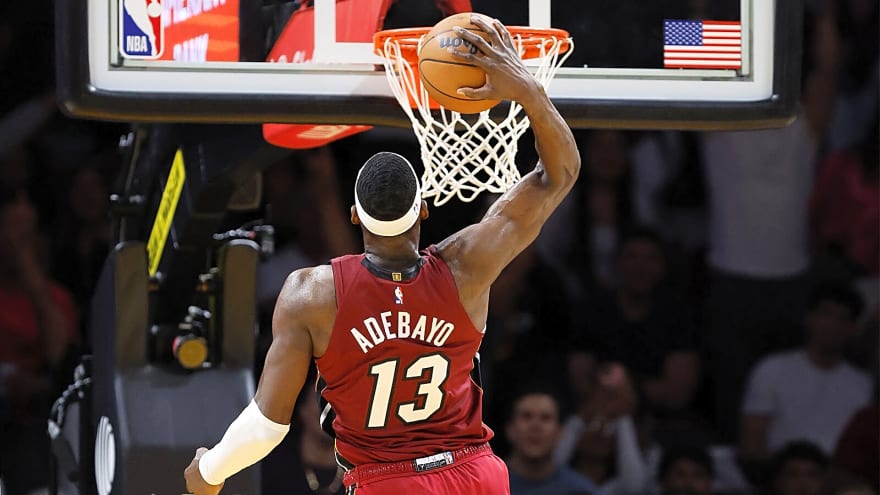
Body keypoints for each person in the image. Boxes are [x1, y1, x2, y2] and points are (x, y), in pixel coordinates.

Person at [184, 14, 581, 495]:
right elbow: (556, 175)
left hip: (387, 482)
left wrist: (209, 471)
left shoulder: (310, 294)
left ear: (355, 216)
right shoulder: (467, 266)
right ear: (423, 211)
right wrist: (528, 91)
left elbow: (268, 426)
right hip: (474, 474)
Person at [739, 284, 872, 463]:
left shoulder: (864, 384)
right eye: (826, 315)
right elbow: (752, 442)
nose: (833, 325)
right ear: (809, 318)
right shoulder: (771, 369)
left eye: (843, 319)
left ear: (854, 328)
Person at [505, 388, 601, 495]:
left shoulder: (581, 491)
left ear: (559, 433)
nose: (536, 426)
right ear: (510, 430)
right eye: (526, 416)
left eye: (545, 418)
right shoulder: (486, 485)